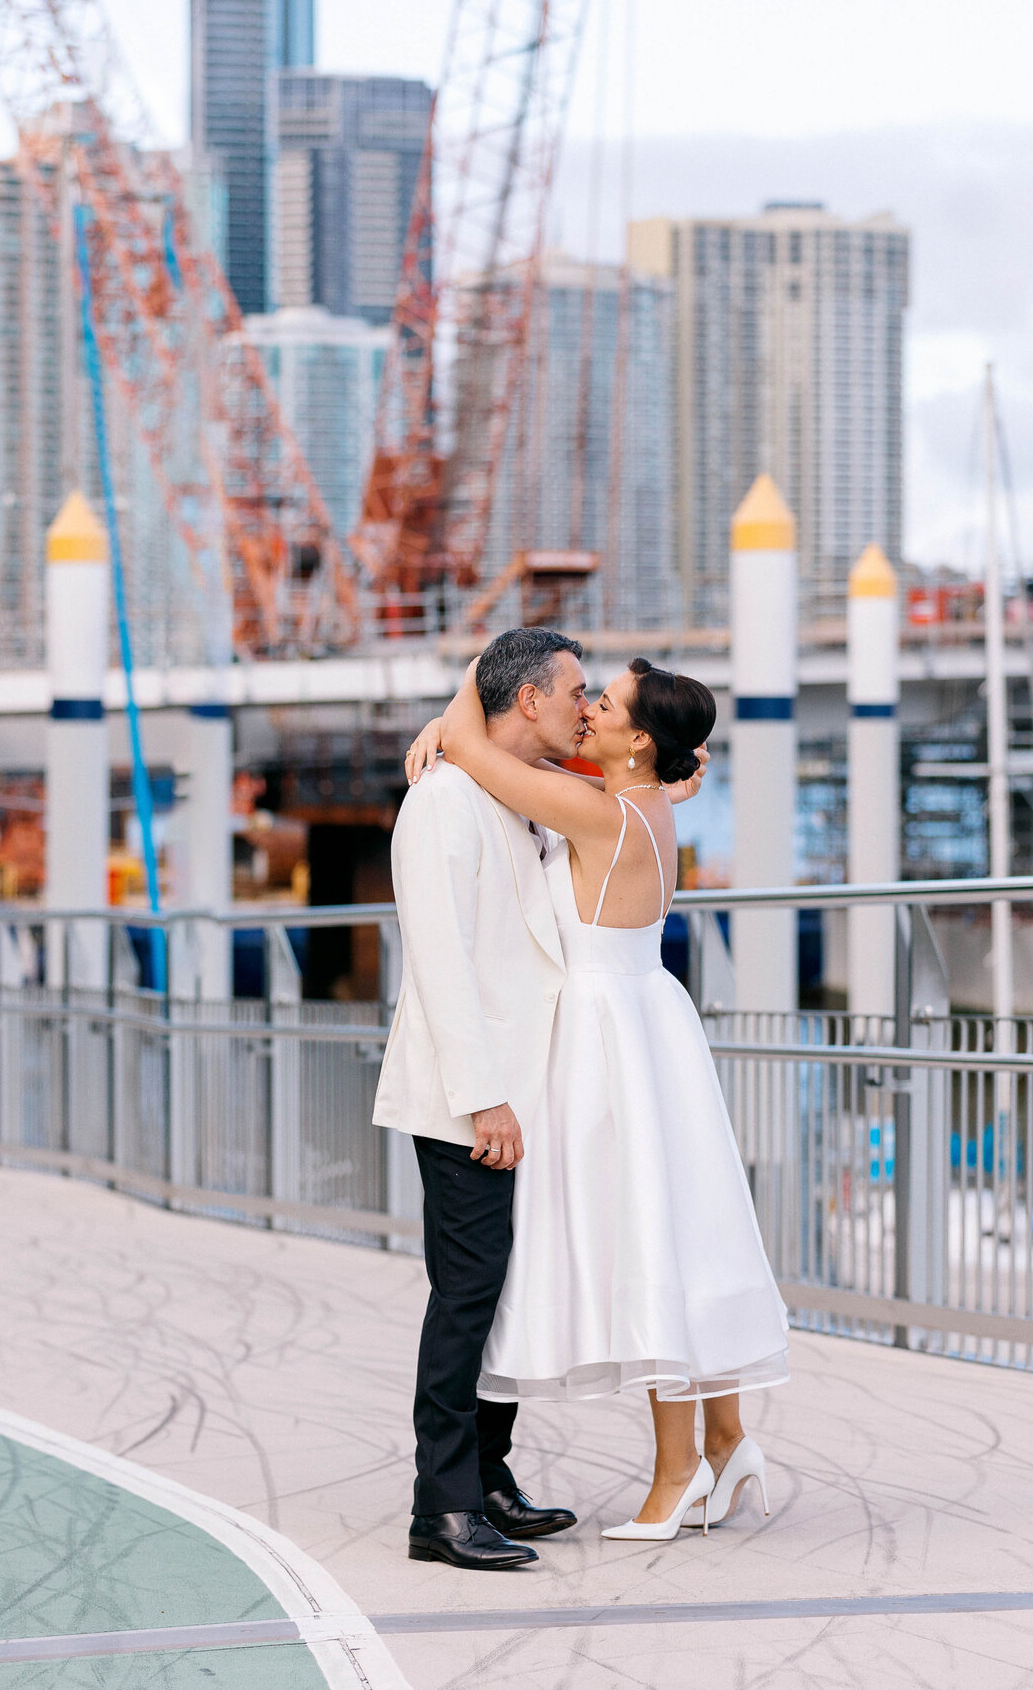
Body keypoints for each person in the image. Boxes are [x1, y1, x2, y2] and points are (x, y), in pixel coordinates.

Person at [405, 655, 790, 1542]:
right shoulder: (635, 806)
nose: (588, 711)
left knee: (644, 1238)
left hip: (603, 1038)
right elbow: (529, 767)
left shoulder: (596, 811)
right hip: (645, 1022)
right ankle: (725, 1444)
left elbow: (474, 739)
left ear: (639, 739)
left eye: (603, 702)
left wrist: (451, 713)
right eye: (584, 694)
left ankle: (682, 1472)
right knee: (677, 1229)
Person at [373, 628, 590, 1570]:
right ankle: (442, 1508)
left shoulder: (516, 798)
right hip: (472, 1099)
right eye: (576, 690)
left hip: (527, 1089)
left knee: (508, 1287)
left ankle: (490, 1477)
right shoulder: (442, 802)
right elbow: (440, 964)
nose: (587, 707)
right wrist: (484, 1099)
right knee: (466, 1295)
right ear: (528, 700)